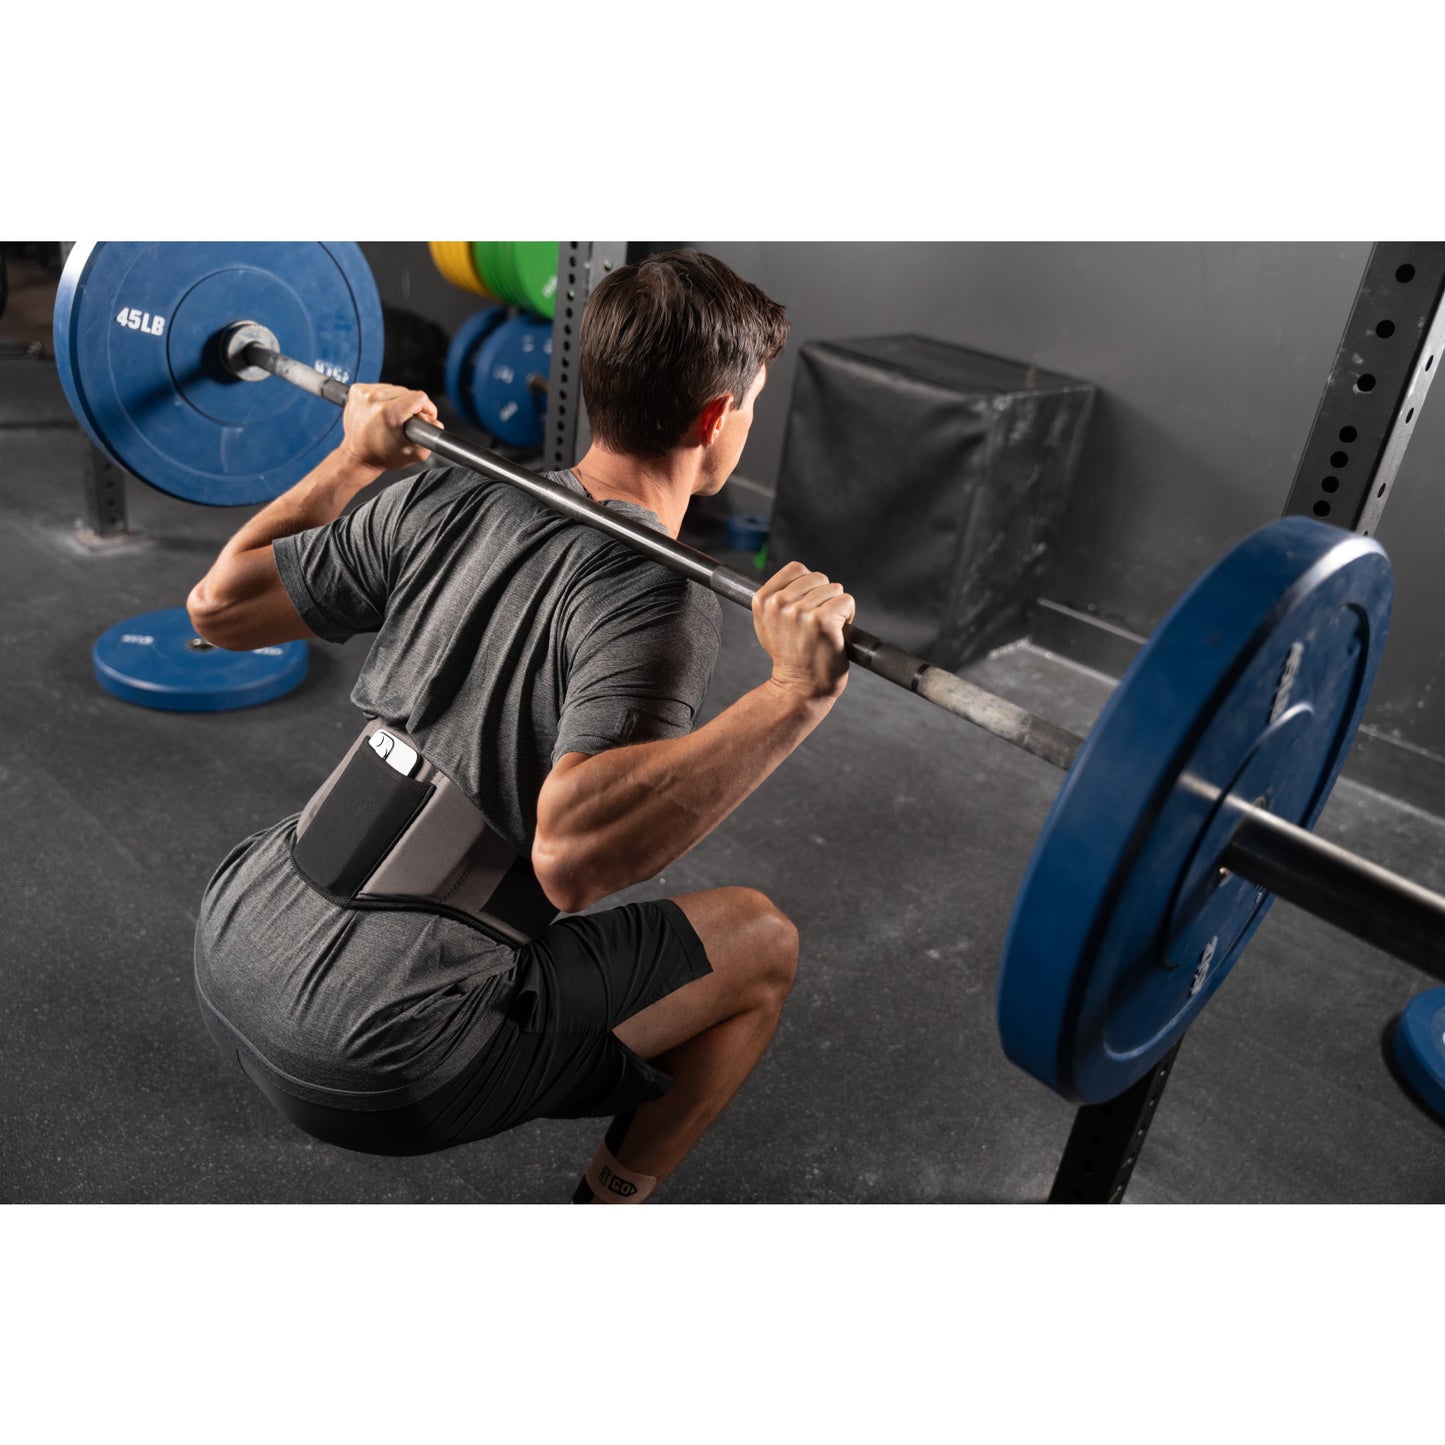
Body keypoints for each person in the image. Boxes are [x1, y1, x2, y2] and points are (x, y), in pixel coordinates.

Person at [187, 248, 855, 1202]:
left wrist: (355, 462)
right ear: (715, 419)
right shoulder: (652, 595)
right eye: (748, 402)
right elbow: (572, 857)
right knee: (760, 941)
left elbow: (218, 606)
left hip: (230, 937)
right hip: (376, 1057)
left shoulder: (451, 490)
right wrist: (793, 694)